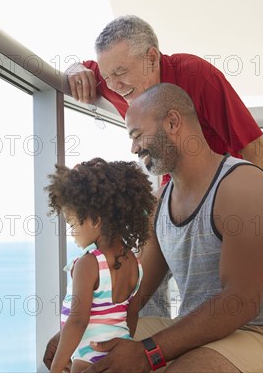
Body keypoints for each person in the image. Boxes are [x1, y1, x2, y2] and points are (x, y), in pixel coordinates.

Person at [73, 83, 263, 372]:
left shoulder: (243, 187)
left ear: (173, 122)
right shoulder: (160, 203)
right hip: (202, 332)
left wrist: (146, 353)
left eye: (137, 135)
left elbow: (239, 301)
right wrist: (79, 332)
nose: (134, 147)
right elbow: (136, 291)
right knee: (91, 354)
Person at [65, 15, 263, 177]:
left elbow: (258, 151)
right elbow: (78, 70)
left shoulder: (198, 76)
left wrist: (246, 209)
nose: (114, 85)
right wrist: (74, 68)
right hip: (175, 188)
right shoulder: (112, 79)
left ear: (152, 58)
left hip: (223, 188)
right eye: (107, 76)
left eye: (120, 73)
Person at [43, 158, 156, 373]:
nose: (72, 232)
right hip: (119, 357)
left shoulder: (89, 263)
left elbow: (78, 321)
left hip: (88, 357)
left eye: (73, 223)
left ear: (95, 220)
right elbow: (131, 316)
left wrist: (56, 368)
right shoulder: (135, 264)